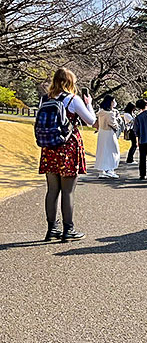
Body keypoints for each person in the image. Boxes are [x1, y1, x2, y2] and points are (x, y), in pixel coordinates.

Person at [37, 68, 96, 241]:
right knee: (68, 191)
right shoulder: (73, 99)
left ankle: (52, 229)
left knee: (52, 190)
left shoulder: (45, 99)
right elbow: (91, 121)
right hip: (67, 147)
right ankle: (68, 229)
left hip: (49, 147)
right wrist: (89, 103)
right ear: (70, 82)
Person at [94, 95, 121, 179]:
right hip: (109, 133)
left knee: (102, 151)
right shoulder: (110, 113)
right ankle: (110, 170)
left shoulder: (100, 112)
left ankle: (102, 171)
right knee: (113, 151)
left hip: (102, 132)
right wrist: (117, 123)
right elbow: (114, 124)